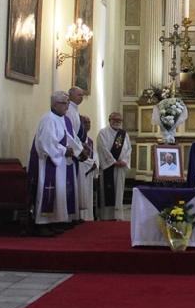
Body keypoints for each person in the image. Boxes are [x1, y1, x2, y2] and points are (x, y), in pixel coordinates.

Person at [27, 91, 85, 236]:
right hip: (48, 162)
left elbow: (70, 138)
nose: (67, 106)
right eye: (64, 103)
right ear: (54, 104)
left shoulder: (62, 119)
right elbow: (46, 142)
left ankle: (54, 221)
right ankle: (42, 224)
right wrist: (64, 150)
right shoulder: (48, 119)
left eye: (67, 103)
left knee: (58, 193)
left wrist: (79, 151)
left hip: (59, 162)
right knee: (47, 191)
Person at [66, 87, 98, 221]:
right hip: (71, 153)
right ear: (70, 95)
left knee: (77, 184)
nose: (81, 97)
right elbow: (69, 134)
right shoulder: (69, 110)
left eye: (82, 95)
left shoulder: (74, 110)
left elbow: (74, 134)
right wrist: (80, 148)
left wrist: (81, 144)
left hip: (76, 151)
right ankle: (71, 216)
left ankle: (75, 215)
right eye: (79, 95)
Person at [95, 111, 131, 220]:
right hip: (108, 167)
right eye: (115, 120)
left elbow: (129, 149)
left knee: (119, 191)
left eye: (119, 120)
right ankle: (107, 215)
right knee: (108, 191)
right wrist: (113, 161)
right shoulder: (103, 133)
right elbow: (102, 148)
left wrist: (124, 161)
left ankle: (118, 215)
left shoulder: (124, 134)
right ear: (109, 120)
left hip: (120, 168)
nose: (117, 122)